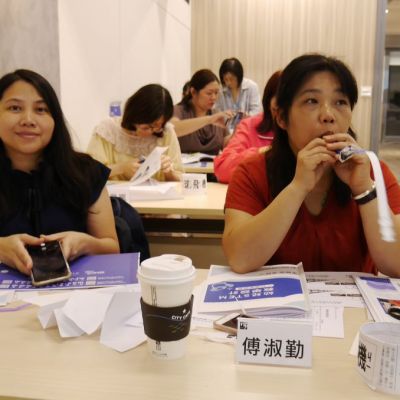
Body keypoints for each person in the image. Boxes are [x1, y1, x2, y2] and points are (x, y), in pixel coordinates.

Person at [223, 54, 400, 277]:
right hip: (279, 298)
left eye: (340, 102)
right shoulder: (252, 172)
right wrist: (298, 187)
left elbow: (396, 264)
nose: (328, 115)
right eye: (311, 101)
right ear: (281, 117)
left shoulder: (372, 172)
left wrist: (364, 189)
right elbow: (240, 258)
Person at [0, 69, 119, 275]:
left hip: (75, 291)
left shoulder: (86, 172)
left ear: (55, 119)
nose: (28, 119)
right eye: (15, 108)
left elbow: (112, 248)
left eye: (41, 110)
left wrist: (84, 243)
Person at [88, 84, 183, 181]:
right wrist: (121, 168)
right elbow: (89, 173)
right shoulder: (108, 131)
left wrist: (168, 172)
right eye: (147, 127)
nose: (151, 131)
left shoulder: (166, 132)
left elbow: (180, 178)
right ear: (136, 115)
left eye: (157, 127)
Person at [214, 70, 281, 183]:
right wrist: (264, 151)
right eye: (226, 80)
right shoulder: (250, 126)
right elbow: (223, 169)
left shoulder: (308, 130)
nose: (229, 83)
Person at [172, 69, 232, 155]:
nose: (214, 97)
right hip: (186, 164)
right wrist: (209, 120)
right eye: (209, 93)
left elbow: (226, 144)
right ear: (193, 92)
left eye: (216, 93)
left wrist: (238, 130)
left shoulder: (216, 113)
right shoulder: (178, 110)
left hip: (213, 163)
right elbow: (173, 129)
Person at [215, 57, 262, 132]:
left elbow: (256, 111)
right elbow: (217, 111)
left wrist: (247, 117)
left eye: (231, 79)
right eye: (226, 79)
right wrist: (223, 115)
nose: (228, 83)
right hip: (226, 132)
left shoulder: (252, 87)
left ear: (239, 76)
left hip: (247, 130)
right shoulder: (220, 90)